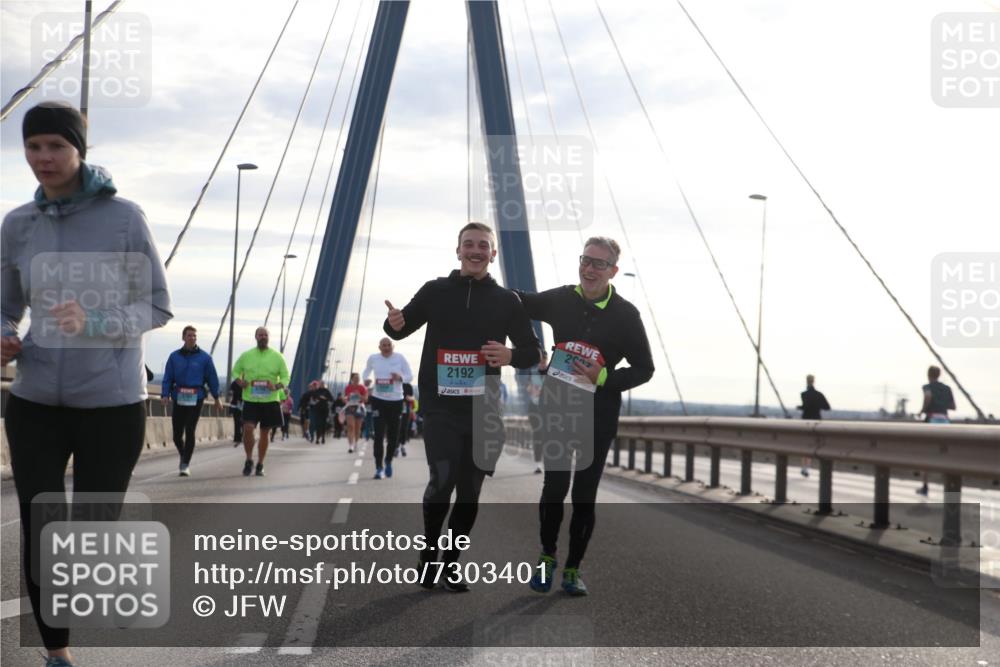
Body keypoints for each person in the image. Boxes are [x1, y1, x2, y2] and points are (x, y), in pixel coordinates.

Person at [1, 101, 172, 666]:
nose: (43, 158)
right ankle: (58, 654)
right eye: (33, 147)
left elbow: (157, 306)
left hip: (111, 403)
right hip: (34, 403)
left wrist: (97, 322)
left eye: (56, 146)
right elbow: (4, 309)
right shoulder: (17, 224)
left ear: (80, 150)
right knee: (40, 525)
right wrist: (3, 334)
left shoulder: (125, 218)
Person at [384, 222, 540, 592]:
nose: (475, 251)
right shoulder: (436, 291)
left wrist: (511, 354)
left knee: (470, 493)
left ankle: (451, 564)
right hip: (440, 408)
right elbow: (400, 329)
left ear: (492, 254)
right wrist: (392, 324)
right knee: (442, 483)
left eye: (482, 245)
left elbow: (533, 351)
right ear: (457, 251)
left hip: (484, 410)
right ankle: (429, 555)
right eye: (468, 244)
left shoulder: (507, 301)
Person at [516, 237, 654, 596]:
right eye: (586, 261)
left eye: (599, 264)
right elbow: (516, 301)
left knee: (584, 495)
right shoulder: (561, 298)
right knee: (555, 487)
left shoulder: (626, 315)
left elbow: (644, 368)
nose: (590, 269)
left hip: (599, 415)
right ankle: (547, 558)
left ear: (613, 271)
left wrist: (604, 377)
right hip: (558, 410)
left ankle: (573, 569)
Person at [161, 325, 221, 476]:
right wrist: (164, 394)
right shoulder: (174, 357)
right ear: (183, 338)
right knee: (176, 435)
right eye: (189, 335)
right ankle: (184, 455)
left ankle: (185, 464)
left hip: (197, 397)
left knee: (190, 429)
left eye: (195, 336)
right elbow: (168, 377)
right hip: (179, 397)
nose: (192, 338)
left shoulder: (205, 358)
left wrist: (217, 398)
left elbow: (212, 379)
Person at [231, 327, 289, 477]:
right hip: (251, 399)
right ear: (255, 337)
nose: (263, 337)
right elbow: (235, 371)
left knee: (265, 433)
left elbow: (285, 377)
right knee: (248, 428)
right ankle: (249, 459)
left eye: (265, 335)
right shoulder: (246, 355)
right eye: (260, 335)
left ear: (269, 337)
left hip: (270, 400)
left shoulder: (278, 357)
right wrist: (240, 381)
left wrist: (276, 386)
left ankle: (260, 464)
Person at [363, 337, 414, 479]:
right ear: (379, 347)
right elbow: (366, 372)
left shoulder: (400, 358)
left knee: (393, 436)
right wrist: (366, 380)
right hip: (378, 400)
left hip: (396, 401)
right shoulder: (373, 358)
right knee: (378, 435)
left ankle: (388, 461)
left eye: (388, 345)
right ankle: (379, 467)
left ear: (393, 346)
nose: (386, 348)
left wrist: (400, 377)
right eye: (383, 345)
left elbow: (410, 376)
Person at [917, 365, 956, 496]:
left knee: (926, 454)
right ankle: (949, 486)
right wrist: (942, 403)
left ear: (928, 374)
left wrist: (922, 410)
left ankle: (925, 486)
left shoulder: (927, 387)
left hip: (932, 419)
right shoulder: (947, 388)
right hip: (945, 420)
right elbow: (953, 406)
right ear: (939, 374)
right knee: (946, 454)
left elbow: (928, 396)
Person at [796, 374, 831, 477]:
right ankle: (806, 468)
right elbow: (827, 407)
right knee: (811, 445)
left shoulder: (804, 394)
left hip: (805, 422)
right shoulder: (819, 395)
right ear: (814, 381)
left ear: (807, 381)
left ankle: (804, 467)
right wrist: (817, 405)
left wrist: (800, 407)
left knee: (804, 445)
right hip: (816, 423)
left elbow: (805, 407)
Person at [526, 349, 550, 474]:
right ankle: (538, 464)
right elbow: (529, 388)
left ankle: (547, 462)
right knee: (538, 434)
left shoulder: (551, 372)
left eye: (544, 361)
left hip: (547, 409)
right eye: (540, 361)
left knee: (547, 436)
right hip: (534, 408)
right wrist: (532, 389)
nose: (542, 363)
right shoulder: (533, 372)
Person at [343, 373, 368, 453]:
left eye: (358, 378)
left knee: (357, 428)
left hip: (359, 408)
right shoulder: (348, 388)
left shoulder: (362, 388)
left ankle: (356, 443)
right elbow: (345, 398)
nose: (357, 379)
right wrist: (345, 399)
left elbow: (365, 399)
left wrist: (359, 395)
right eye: (355, 378)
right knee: (350, 426)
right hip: (350, 408)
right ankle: (351, 445)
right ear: (352, 379)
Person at [229, 378, 244, 445]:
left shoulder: (234, 383)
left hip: (235, 404)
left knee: (236, 422)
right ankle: (242, 436)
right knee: (243, 421)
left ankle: (237, 438)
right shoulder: (245, 382)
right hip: (243, 403)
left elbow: (231, 393)